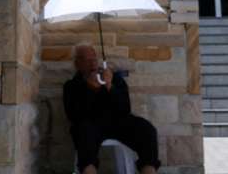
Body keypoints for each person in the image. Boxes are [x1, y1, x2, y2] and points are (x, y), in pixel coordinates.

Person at [64, 44, 160, 174]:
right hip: (90, 126)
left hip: (118, 123)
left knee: (146, 129)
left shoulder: (114, 79)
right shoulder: (71, 86)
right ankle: (88, 170)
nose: (92, 62)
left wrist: (109, 86)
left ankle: (148, 170)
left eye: (94, 58)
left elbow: (125, 108)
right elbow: (74, 115)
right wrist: (91, 89)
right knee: (82, 132)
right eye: (87, 59)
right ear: (77, 64)